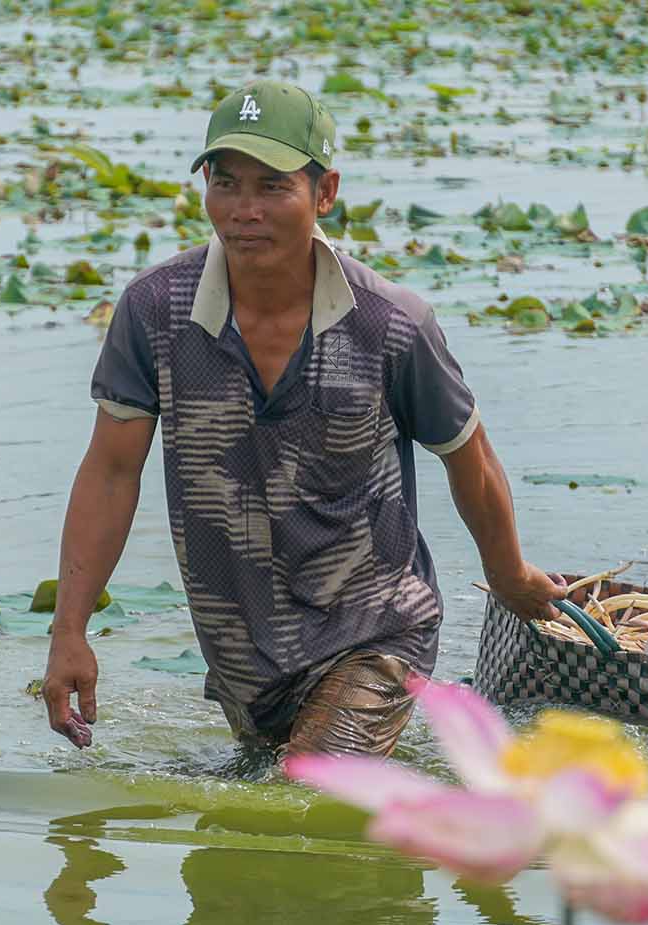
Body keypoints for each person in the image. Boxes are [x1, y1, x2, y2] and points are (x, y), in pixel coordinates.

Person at [42, 80, 565, 757]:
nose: (244, 211)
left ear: (325, 192)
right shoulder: (153, 314)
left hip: (376, 630)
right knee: (245, 849)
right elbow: (112, 473)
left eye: (272, 187)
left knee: (307, 786)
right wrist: (69, 630)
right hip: (244, 659)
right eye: (225, 183)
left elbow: (471, 458)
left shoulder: (391, 325)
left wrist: (509, 574)